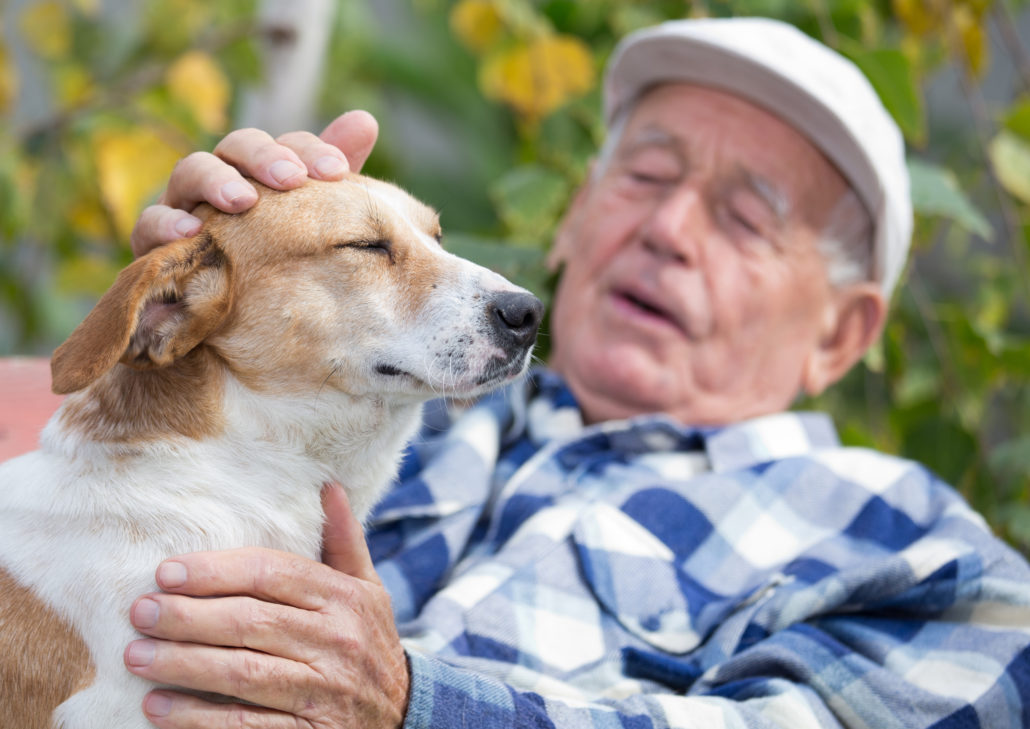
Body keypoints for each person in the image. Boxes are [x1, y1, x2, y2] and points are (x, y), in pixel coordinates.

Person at [120, 17, 1030, 729]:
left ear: (843, 333)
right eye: (644, 175)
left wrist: (415, 706)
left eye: (747, 219)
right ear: (572, 219)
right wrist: (217, 286)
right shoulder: (367, 394)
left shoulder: (907, 541)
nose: (667, 230)